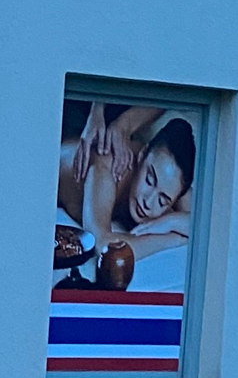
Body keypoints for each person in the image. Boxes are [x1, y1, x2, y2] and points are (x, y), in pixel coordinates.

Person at [58, 102, 195, 262]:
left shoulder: (171, 180)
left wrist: (170, 222)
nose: (148, 203)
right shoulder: (107, 169)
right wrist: (172, 239)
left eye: (162, 201)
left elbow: (203, 224)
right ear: (142, 154)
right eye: (149, 180)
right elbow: (102, 246)